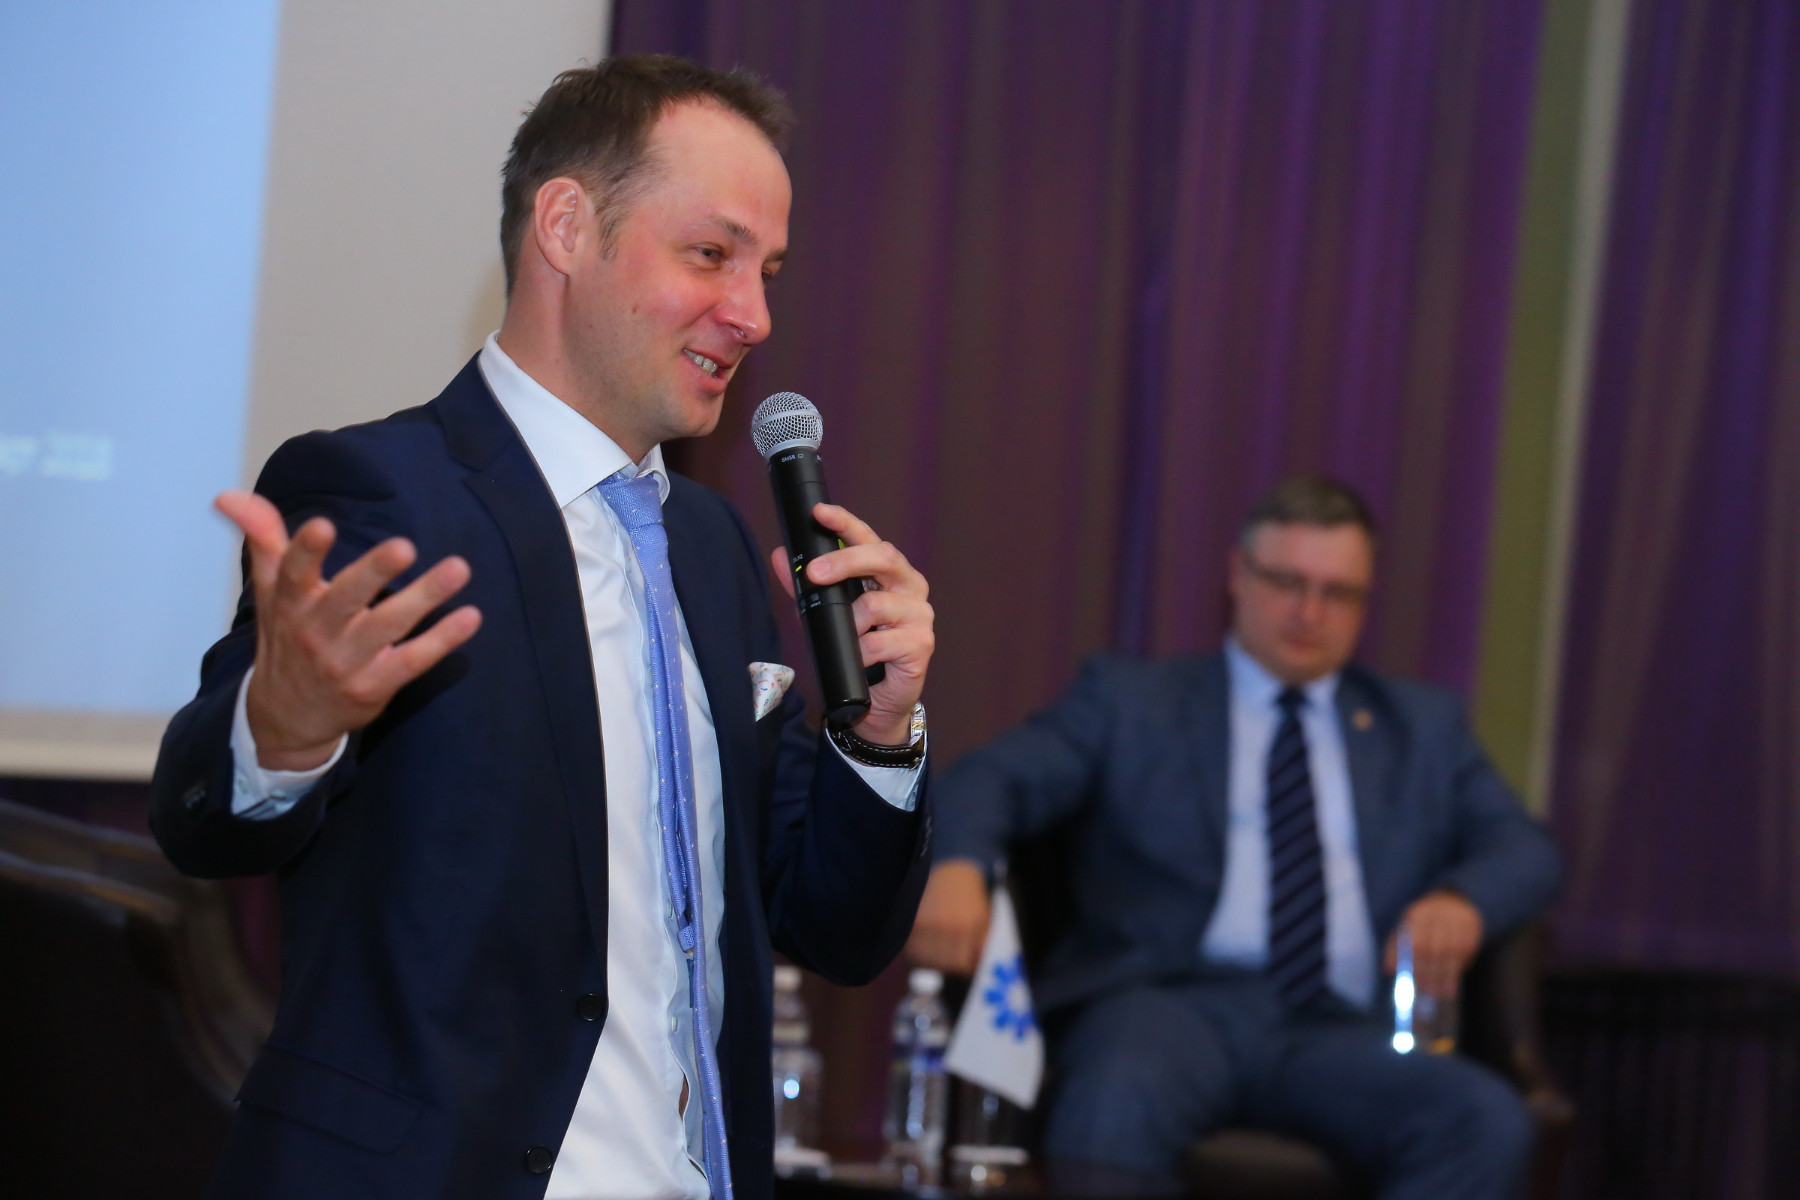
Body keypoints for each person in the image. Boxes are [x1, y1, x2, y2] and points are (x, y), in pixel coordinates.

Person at [150, 56, 935, 1200]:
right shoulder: (385, 495)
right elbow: (203, 823)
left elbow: (835, 930)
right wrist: (284, 727)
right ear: (566, 227)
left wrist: (881, 731)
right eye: (709, 255)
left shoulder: (715, 547)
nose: (754, 315)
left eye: (767, 272)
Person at [908, 476, 1559, 1200]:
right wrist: (958, 864)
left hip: (1341, 1030)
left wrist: (1464, 900)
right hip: (1169, 1006)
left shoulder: (1422, 729)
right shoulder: (1132, 701)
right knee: (1119, 1094)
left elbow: (1525, 849)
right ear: (1238, 575)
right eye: (1287, 582)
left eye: (1338, 593)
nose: (1309, 612)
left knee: (1483, 1121)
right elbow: (992, 778)